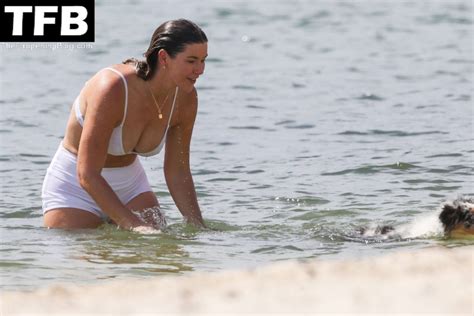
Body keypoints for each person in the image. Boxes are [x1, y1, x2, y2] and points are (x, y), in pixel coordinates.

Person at [41, 19, 208, 231]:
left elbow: (178, 171)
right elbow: (87, 174)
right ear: (164, 57)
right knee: (87, 258)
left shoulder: (185, 98)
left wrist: (199, 227)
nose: (200, 69)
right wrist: (135, 225)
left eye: (204, 60)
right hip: (75, 186)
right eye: (192, 61)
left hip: (130, 186)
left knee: (158, 256)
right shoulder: (112, 88)